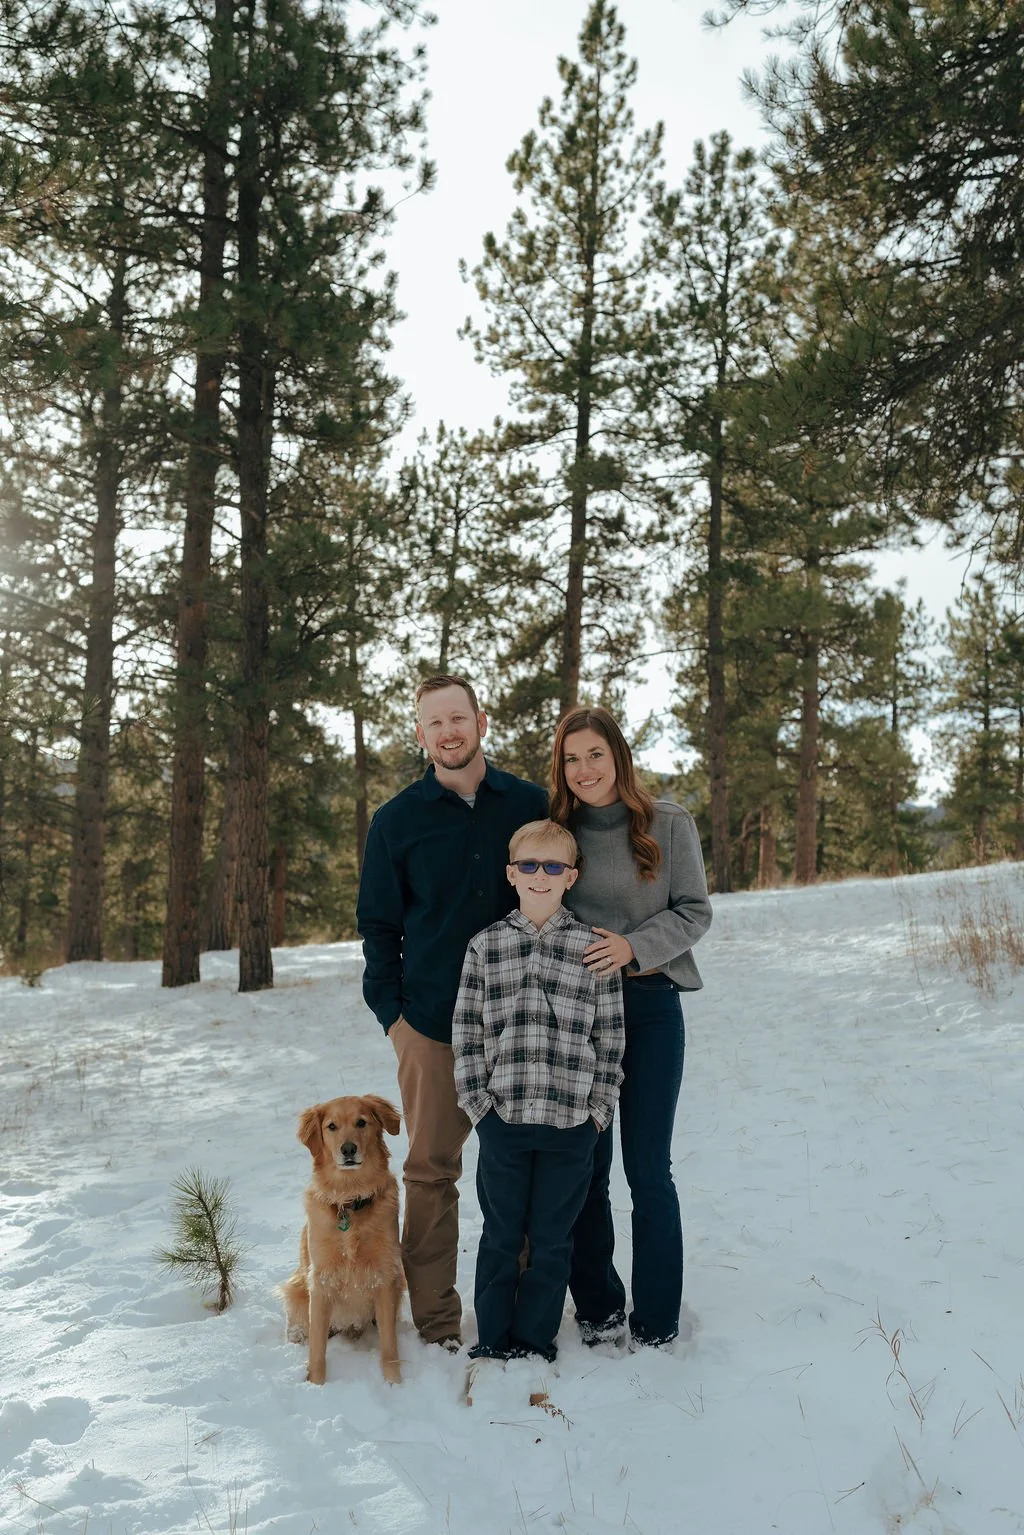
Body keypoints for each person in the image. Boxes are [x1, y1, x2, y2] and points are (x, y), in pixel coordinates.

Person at [356, 675, 547, 1349]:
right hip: (432, 1024)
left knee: (517, 1165)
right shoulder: (397, 821)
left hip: (519, 1023)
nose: (448, 731)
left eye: (458, 717)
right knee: (432, 1171)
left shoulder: (530, 805)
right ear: (420, 734)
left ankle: (519, 1306)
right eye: (434, 722)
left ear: (481, 721)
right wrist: (394, 1017)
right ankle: (436, 1320)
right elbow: (378, 928)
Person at [550, 706, 713, 1350]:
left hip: (649, 1007)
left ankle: (656, 1318)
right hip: (579, 1013)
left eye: (595, 754)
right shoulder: (556, 831)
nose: (584, 769)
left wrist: (634, 947)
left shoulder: (667, 825)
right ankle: (597, 1307)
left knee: (647, 1169)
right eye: (571, 758)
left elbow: (695, 911)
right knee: (587, 1166)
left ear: (617, 754)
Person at [451, 819, 624, 1388]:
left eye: (553, 867)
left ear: (571, 876)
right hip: (504, 1120)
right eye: (529, 865)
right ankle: (493, 1338)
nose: (540, 876)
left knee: (553, 1240)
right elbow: (468, 1035)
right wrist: (480, 1109)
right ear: (511, 873)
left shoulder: (593, 950)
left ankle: (534, 1341)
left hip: (570, 1125)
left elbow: (611, 1039)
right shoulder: (486, 947)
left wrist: (597, 1113)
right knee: (502, 1236)